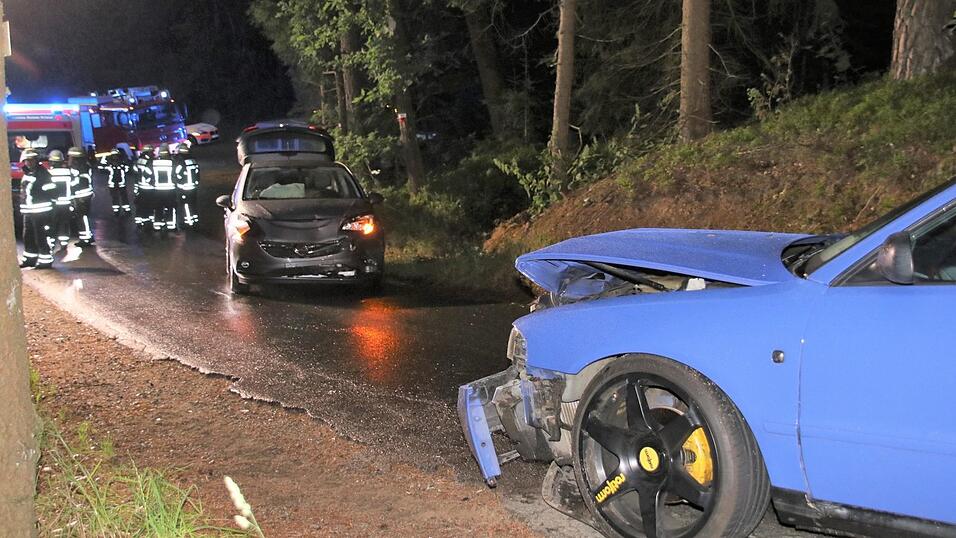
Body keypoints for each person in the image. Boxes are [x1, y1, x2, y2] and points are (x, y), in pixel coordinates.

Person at [18, 149, 57, 268]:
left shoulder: (43, 174)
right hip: (28, 211)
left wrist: (41, 196)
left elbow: (52, 191)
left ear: (36, 160)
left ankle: (46, 260)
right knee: (27, 236)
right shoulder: (27, 173)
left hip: (40, 211)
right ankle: (30, 259)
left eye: (31, 160)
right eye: (27, 161)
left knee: (41, 236)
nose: (29, 163)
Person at [48, 149, 77, 248]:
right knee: (64, 223)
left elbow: (48, 188)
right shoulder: (68, 172)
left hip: (54, 203)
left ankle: (51, 243)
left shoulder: (49, 173)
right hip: (66, 203)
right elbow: (74, 184)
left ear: (51, 161)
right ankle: (64, 243)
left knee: (52, 223)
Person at [68, 147, 95, 246]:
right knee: (85, 216)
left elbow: (75, 182)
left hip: (80, 196)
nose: (69, 159)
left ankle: (86, 238)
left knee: (81, 217)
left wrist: (69, 187)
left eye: (70, 157)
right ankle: (88, 236)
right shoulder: (86, 165)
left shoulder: (76, 168)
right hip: (87, 194)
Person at [150, 144, 180, 231]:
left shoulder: (154, 163)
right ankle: (171, 225)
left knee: (158, 207)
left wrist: (152, 183)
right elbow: (178, 174)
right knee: (170, 207)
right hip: (170, 190)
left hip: (157, 191)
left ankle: (158, 225)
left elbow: (148, 175)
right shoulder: (172, 163)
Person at [99, 148, 132, 215]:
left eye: (116, 155)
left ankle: (126, 210)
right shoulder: (109, 164)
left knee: (124, 197)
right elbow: (101, 169)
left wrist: (122, 166)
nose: (115, 157)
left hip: (121, 183)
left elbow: (128, 169)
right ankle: (116, 211)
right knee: (115, 198)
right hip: (112, 184)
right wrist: (103, 160)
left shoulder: (122, 163)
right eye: (113, 155)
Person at [175, 144, 200, 228]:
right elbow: (197, 173)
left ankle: (189, 222)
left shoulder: (180, 161)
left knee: (186, 205)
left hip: (184, 188)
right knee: (193, 204)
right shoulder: (193, 160)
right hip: (193, 187)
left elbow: (178, 174)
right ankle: (195, 221)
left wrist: (178, 183)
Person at [134, 144, 155, 228]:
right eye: (152, 152)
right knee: (149, 205)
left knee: (141, 205)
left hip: (140, 186)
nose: (153, 153)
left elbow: (136, 172)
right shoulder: (148, 161)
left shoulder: (139, 160)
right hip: (148, 187)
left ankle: (139, 222)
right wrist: (152, 182)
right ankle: (148, 223)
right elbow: (149, 173)